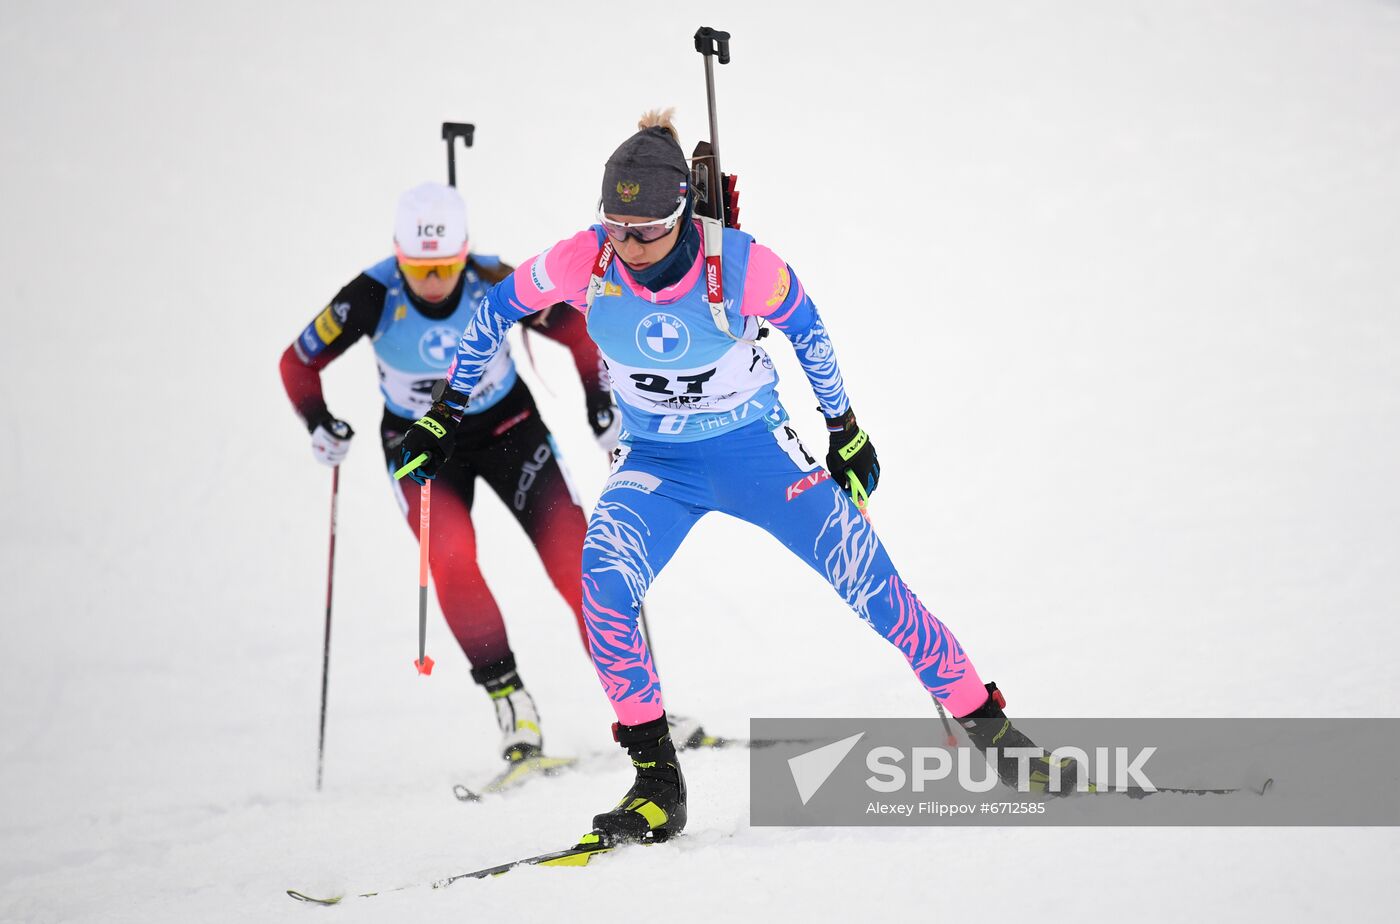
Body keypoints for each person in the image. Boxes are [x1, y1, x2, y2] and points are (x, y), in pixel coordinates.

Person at [394, 112, 1076, 841]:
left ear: (684, 213)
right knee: (604, 582)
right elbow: (496, 308)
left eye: (646, 230)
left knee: (878, 592)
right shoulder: (583, 260)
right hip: (658, 464)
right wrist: (446, 410)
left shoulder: (742, 264)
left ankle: (996, 738)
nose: (627, 245)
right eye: (615, 226)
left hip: (758, 456)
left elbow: (809, 331)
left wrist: (843, 430)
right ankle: (657, 783)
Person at [279, 181, 622, 770]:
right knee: (450, 556)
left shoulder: (493, 279)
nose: (433, 281)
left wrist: (601, 403)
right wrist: (318, 421)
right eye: (418, 268)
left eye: (444, 267)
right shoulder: (370, 294)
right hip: (421, 445)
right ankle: (511, 702)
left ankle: (638, 705)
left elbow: (579, 332)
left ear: (463, 254)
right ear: (397, 255)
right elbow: (298, 362)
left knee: (578, 561)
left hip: (510, 430)